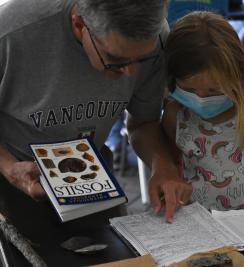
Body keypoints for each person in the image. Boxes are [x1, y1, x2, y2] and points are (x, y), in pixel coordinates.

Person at [0, 0, 191, 225]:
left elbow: (143, 123)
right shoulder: (12, 32)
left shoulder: (155, 36)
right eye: (115, 60)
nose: (130, 72)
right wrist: (9, 166)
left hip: (93, 172)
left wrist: (163, 165)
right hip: (12, 174)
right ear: (80, 24)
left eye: (142, 59)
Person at [162, 11, 244, 210]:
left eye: (214, 89)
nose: (201, 97)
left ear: (238, 74)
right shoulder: (176, 114)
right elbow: (171, 164)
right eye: (189, 90)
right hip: (199, 227)